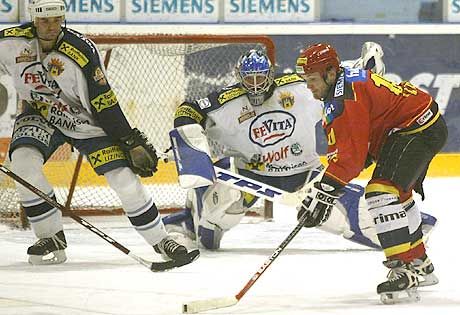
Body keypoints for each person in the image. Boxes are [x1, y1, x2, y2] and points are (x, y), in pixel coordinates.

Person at [163, 45, 436, 253]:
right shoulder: (227, 101)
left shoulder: (300, 86)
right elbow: (189, 109)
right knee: (208, 234)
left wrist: (365, 68)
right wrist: (190, 142)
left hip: (306, 174)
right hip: (249, 177)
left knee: (360, 221)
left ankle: (409, 228)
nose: (256, 86)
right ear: (239, 79)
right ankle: (188, 219)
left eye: (261, 78)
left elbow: (339, 78)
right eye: (250, 80)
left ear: (271, 74)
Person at [0, 0, 198, 266]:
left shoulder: (80, 50)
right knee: (23, 162)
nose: (51, 26)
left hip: (85, 121)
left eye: (57, 20)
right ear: (34, 20)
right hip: (40, 114)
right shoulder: (10, 41)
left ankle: (162, 240)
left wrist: (127, 139)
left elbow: (103, 101)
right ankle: (51, 237)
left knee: (124, 179)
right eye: (45, 21)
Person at [295, 43, 447, 303]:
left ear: (330, 73)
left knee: (380, 194)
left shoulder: (345, 97)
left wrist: (325, 190)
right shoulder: (342, 88)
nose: (309, 86)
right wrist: (325, 189)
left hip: (415, 129)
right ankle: (419, 261)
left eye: (312, 79)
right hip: (416, 126)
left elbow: (351, 160)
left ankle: (404, 268)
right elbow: (353, 154)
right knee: (396, 193)